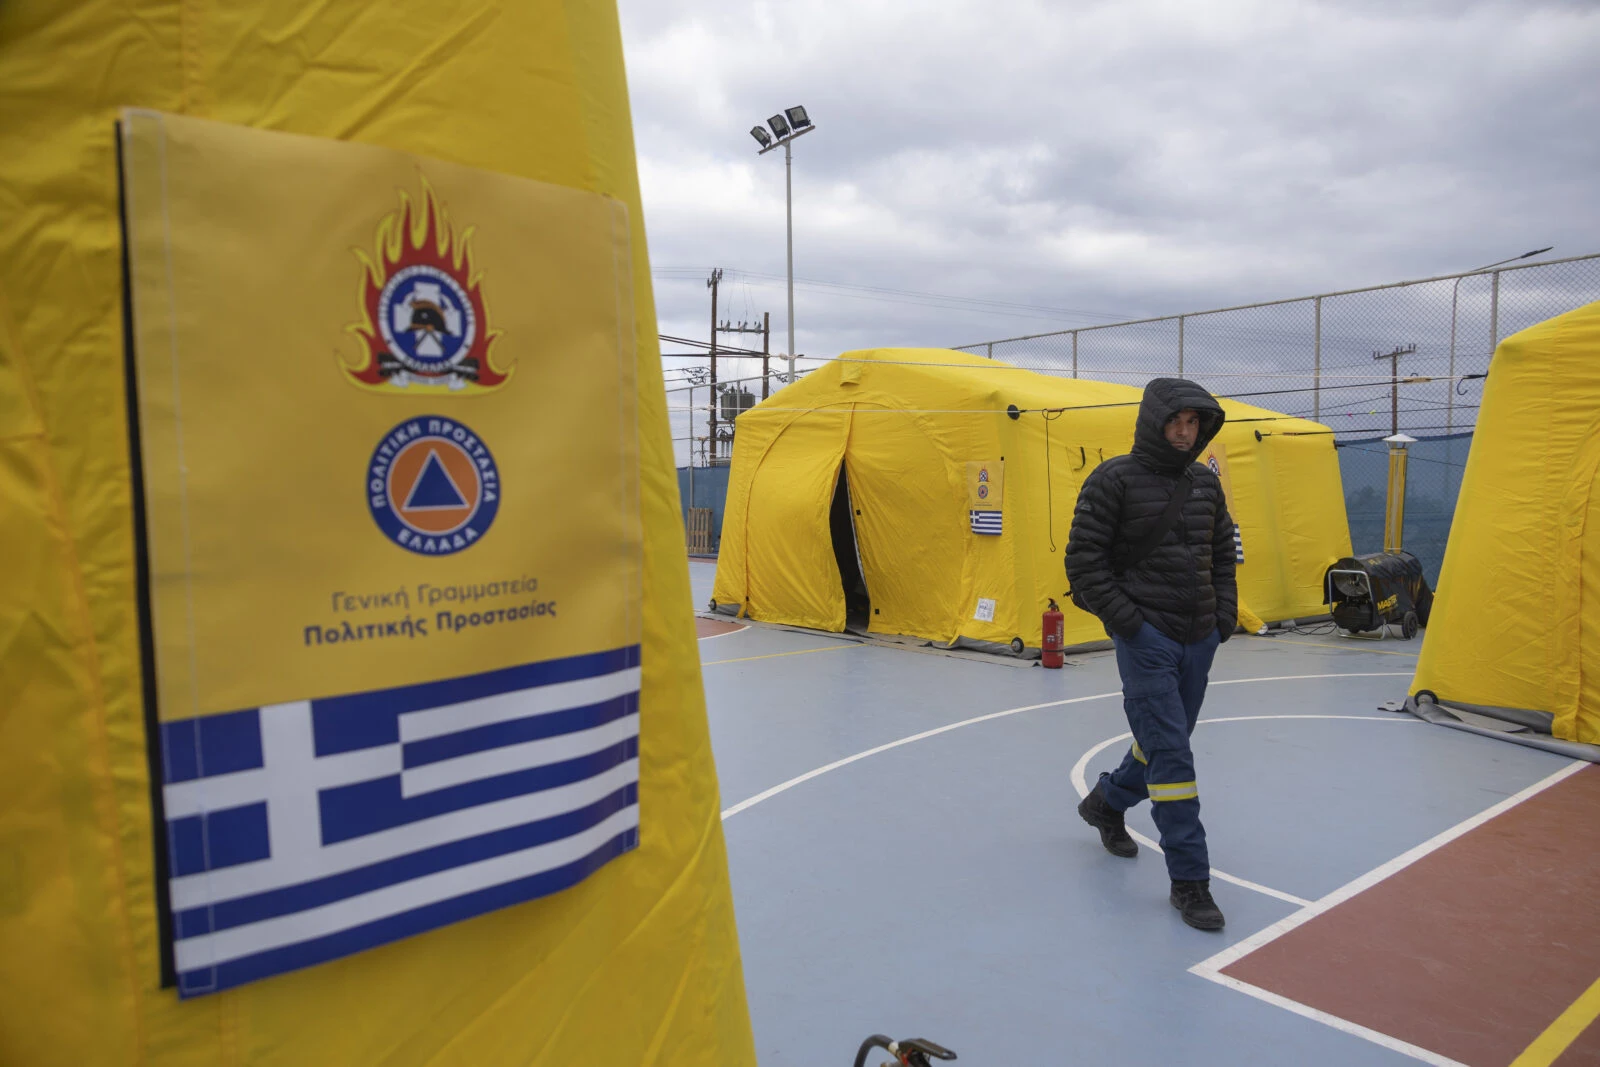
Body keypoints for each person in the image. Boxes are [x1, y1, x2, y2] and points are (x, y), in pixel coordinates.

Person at [1064, 377, 1238, 931]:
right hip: (1148, 639)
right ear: (1155, 422)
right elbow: (1084, 565)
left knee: (1166, 743)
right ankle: (1191, 882)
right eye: (1177, 422)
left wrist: (1223, 618)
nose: (1186, 433)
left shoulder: (1205, 487)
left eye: (1195, 423)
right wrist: (1132, 626)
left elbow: (1221, 553)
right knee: (1172, 759)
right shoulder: (1113, 479)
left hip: (1200, 636)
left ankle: (1107, 804)